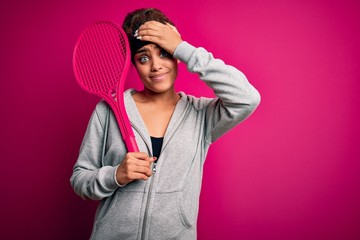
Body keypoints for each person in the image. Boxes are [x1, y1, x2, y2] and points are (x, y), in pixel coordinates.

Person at [70, 8, 261, 240]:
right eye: (143, 58)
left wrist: (182, 48)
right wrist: (116, 175)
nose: (156, 66)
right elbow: (80, 180)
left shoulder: (201, 115)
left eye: (165, 53)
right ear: (132, 64)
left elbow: (247, 98)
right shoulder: (108, 112)